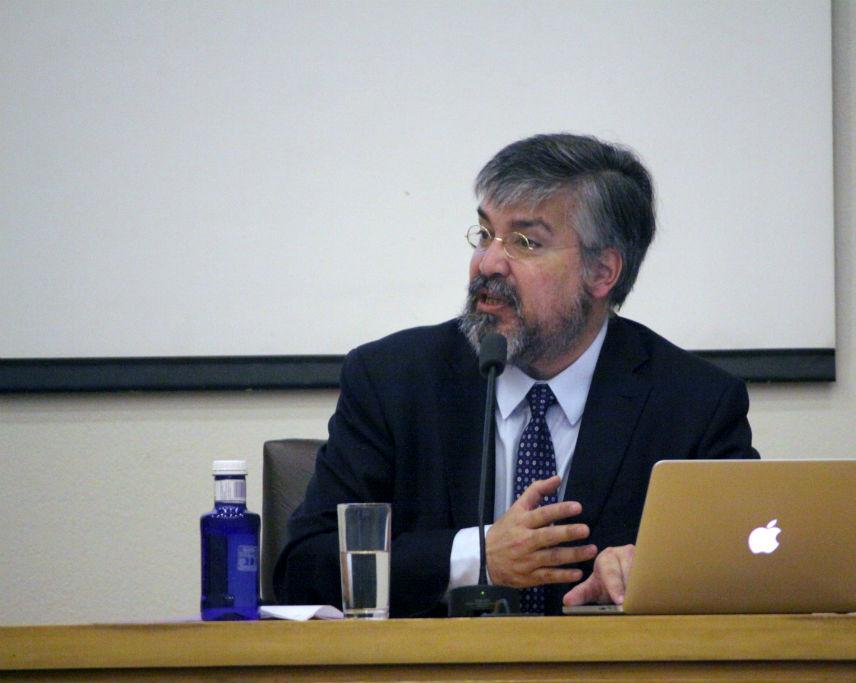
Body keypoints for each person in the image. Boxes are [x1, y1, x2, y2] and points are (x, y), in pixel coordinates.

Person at [274, 133, 759, 616]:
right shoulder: (393, 380)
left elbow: (748, 565)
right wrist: (476, 557)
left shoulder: (694, 404)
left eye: (525, 242)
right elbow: (302, 569)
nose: (488, 263)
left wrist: (653, 570)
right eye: (486, 234)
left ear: (602, 272)